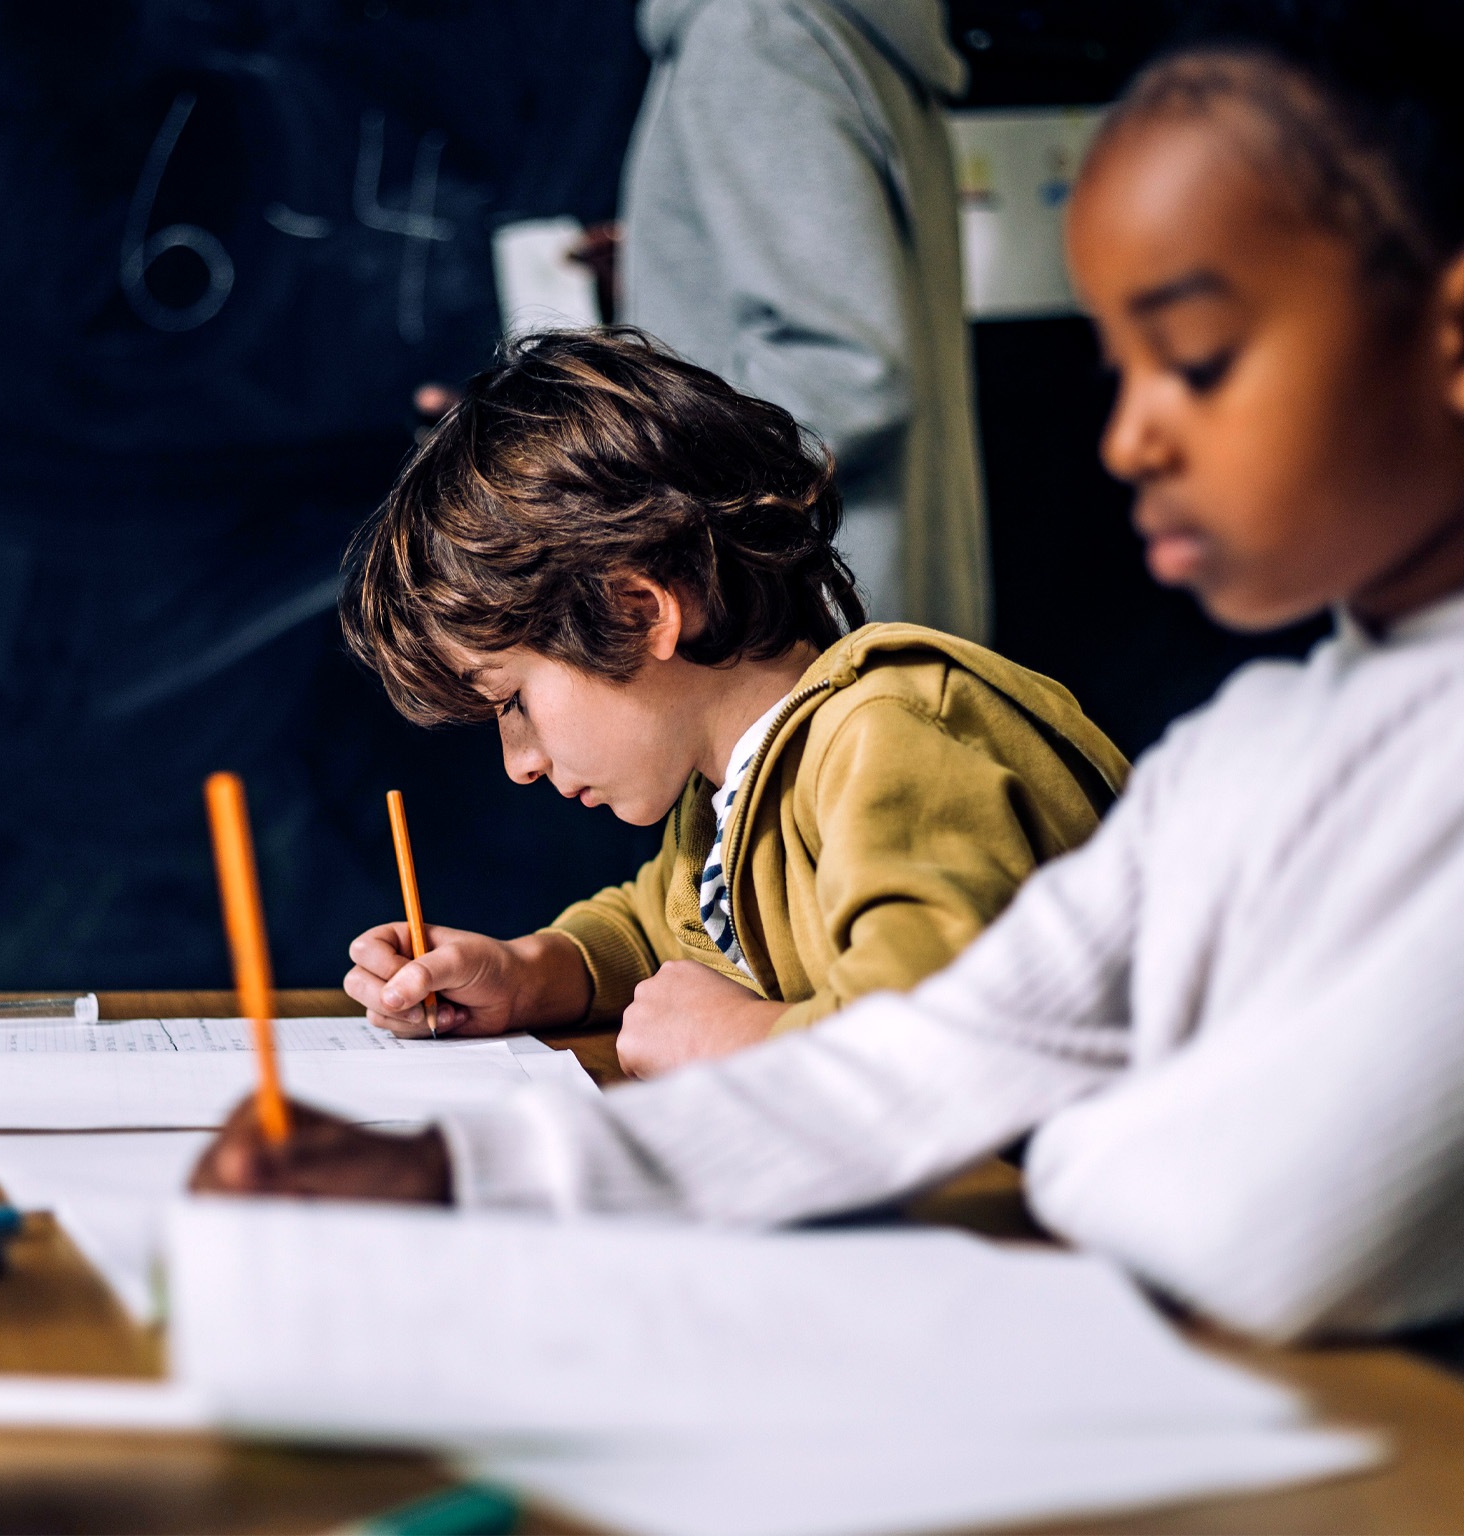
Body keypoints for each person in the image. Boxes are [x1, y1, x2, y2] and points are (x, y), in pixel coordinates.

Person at [196, 0, 1464, 1341]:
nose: (1128, 441)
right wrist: (455, 1176)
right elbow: (937, 1062)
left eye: (1198, 362)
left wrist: (1035, 1126)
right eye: (1119, 367)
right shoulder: (1248, 745)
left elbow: (1257, 1238)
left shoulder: (917, 734)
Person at [333, 330, 1124, 1079]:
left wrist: (736, 1038)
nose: (521, 765)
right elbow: (661, 930)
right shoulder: (727, 791)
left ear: (639, 611)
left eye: (514, 703)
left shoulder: (889, 732)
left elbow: (938, 1039)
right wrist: (531, 972)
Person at [616, 0, 987, 633]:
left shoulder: (753, 31)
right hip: (866, 609)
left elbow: (844, 373)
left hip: (794, 624)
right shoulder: (842, 26)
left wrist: (636, 507)